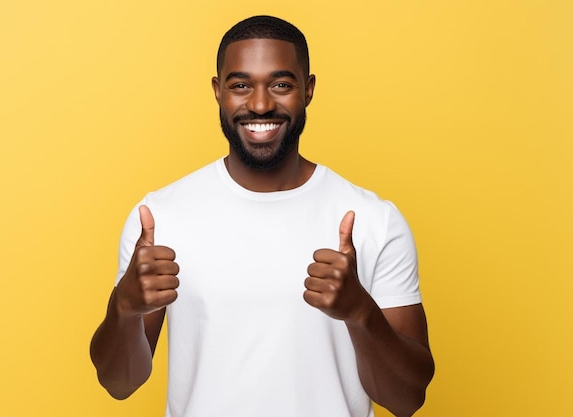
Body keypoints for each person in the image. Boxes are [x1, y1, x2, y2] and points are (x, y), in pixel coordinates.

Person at [90, 15, 434, 417]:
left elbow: (408, 400)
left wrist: (361, 313)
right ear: (218, 92)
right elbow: (118, 384)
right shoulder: (160, 217)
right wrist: (124, 309)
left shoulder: (374, 220)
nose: (259, 104)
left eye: (281, 85)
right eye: (240, 85)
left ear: (308, 90)